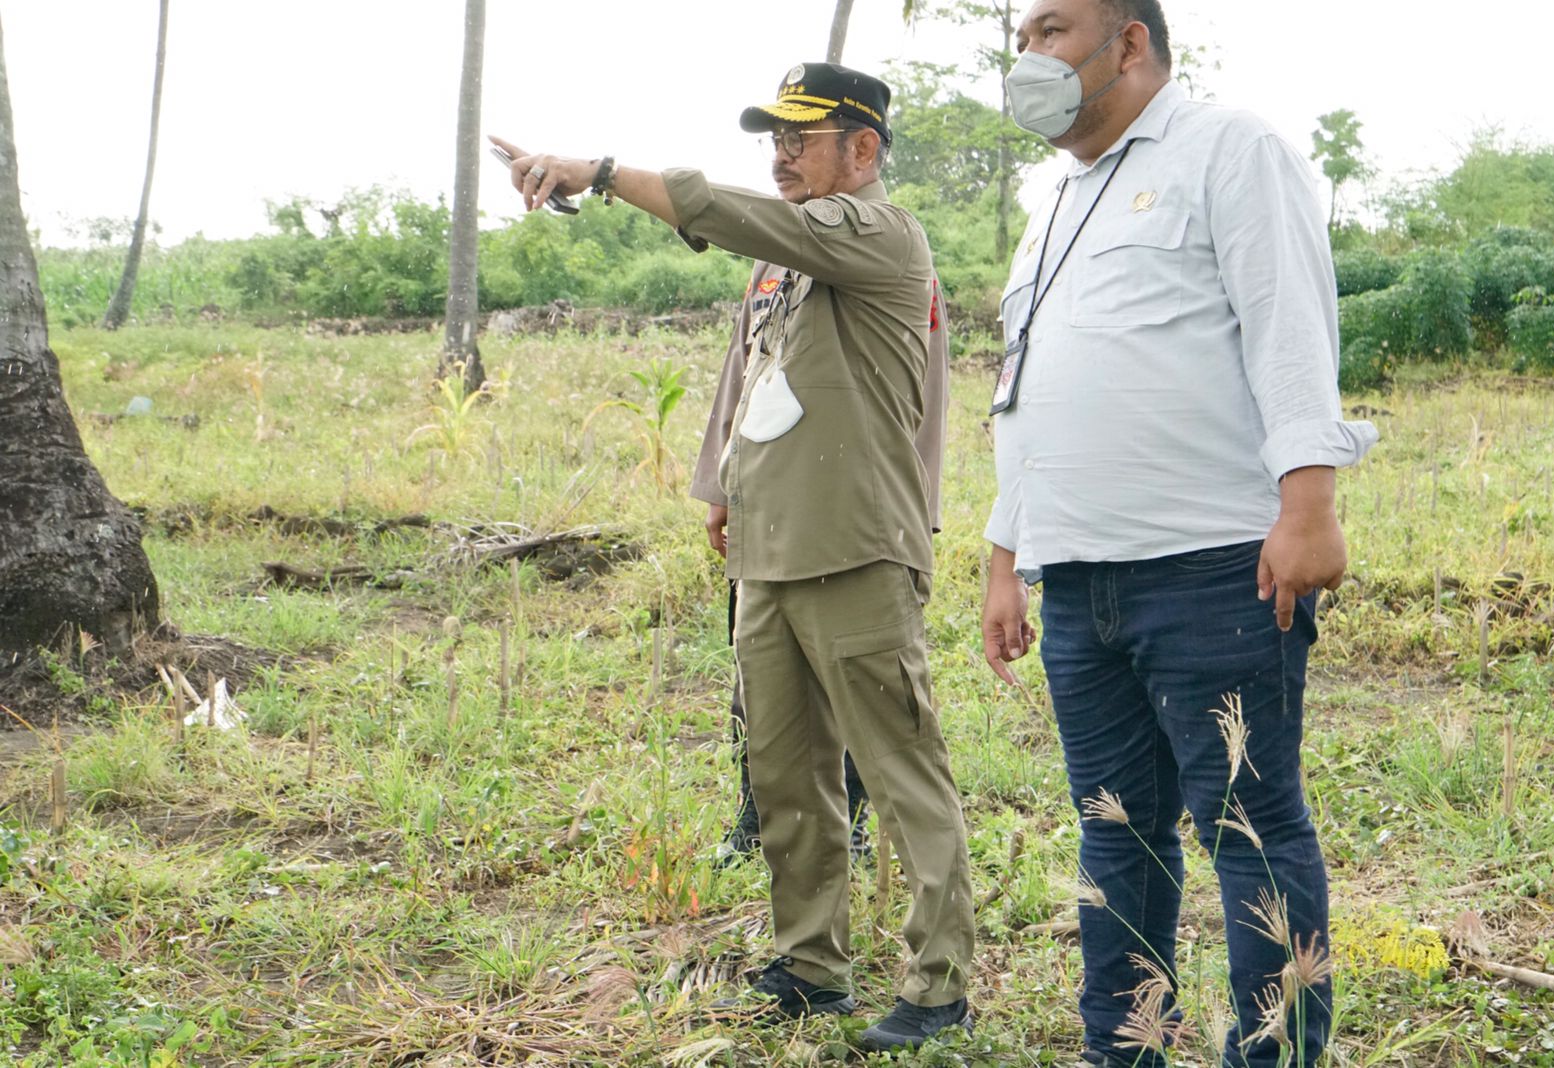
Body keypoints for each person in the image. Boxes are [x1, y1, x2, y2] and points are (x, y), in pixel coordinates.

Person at [491, 61, 975, 1054]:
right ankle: (810, 965)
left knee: (900, 774)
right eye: (774, 138)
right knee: (787, 776)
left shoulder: (879, 234)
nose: (781, 154)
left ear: (863, 149)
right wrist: (726, 489)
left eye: (800, 139)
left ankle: (937, 985)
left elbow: (723, 210)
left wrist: (598, 170)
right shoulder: (789, 266)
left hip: (854, 554)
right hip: (769, 555)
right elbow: (759, 378)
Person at [979, 2, 1377, 1066]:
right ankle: (1126, 1052)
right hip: (1078, 581)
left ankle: (1278, 1055)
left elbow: (1289, 326)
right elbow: (1024, 386)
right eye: (1018, 38)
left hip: (1211, 569)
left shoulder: (1228, 149)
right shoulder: (1052, 199)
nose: (1027, 57)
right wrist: (1005, 557)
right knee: (1115, 833)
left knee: (1248, 830)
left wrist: (1309, 503)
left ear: (1130, 43)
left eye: (1050, 30)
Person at [693, 264, 951, 870]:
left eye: (795, 157)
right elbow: (745, 368)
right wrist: (720, 482)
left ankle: (852, 822)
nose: (783, 164)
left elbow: (925, 386)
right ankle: (755, 816)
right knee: (756, 674)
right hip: (769, 502)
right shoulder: (767, 261)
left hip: (851, 512)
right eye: (776, 158)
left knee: (857, 679)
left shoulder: (887, 253)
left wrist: (916, 504)